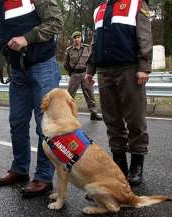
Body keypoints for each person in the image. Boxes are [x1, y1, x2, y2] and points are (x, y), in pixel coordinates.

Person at [0, 0, 63, 197]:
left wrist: (27, 38)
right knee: (17, 121)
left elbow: (55, 22)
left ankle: (44, 177)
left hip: (42, 65)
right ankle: (19, 169)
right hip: (17, 70)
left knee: (44, 124)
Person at [85, 0, 153, 186]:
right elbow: (95, 41)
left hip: (129, 68)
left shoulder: (136, 3)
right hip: (105, 71)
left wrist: (144, 66)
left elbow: (145, 37)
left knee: (135, 118)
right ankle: (119, 164)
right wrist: (90, 69)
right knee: (112, 119)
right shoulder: (98, 9)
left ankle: (136, 165)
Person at [64, 31, 102, 121]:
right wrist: (71, 72)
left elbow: (92, 59)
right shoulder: (69, 50)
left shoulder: (87, 48)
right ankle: (66, 114)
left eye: (78, 37)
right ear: (72, 39)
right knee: (69, 94)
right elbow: (66, 63)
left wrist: (91, 72)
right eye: (75, 37)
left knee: (89, 94)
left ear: (81, 38)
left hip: (85, 73)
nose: (77, 39)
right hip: (75, 74)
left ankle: (93, 113)